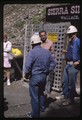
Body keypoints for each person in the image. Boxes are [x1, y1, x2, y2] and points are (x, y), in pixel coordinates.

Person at [24, 33, 56, 118]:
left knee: (34, 97)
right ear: (39, 43)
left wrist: (26, 75)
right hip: (44, 76)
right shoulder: (47, 52)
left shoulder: (32, 53)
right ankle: (42, 108)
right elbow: (53, 63)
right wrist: (48, 70)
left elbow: (27, 66)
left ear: (32, 44)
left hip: (35, 77)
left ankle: (35, 114)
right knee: (41, 93)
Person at [60, 25, 80, 105]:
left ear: (75, 33)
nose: (69, 36)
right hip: (68, 64)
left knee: (71, 83)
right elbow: (72, 52)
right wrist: (66, 52)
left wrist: (79, 61)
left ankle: (71, 100)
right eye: (69, 34)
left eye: (71, 34)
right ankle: (65, 95)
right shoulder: (70, 42)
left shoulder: (78, 41)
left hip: (73, 65)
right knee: (65, 81)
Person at [39, 30, 55, 98]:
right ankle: (41, 92)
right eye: (41, 36)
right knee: (41, 78)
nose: (43, 37)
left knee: (48, 79)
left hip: (47, 64)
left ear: (46, 35)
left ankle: (47, 92)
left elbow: (53, 54)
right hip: (39, 64)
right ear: (40, 36)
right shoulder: (39, 43)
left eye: (44, 35)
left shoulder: (50, 43)